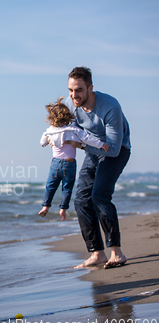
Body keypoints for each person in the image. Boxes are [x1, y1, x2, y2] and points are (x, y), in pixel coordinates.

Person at [63, 67, 131, 269]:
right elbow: (64, 127)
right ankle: (97, 253)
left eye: (79, 90)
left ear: (90, 88)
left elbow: (113, 149)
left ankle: (116, 252)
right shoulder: (70, 104)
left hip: (116, 151)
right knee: (82, 200)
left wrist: (82, 145)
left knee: (99, 195)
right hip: (93, 152)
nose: (74, 95)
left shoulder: (110, 107)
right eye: (71, 90)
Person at [38, 97, 109, 221]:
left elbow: (41, 143)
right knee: (67, 188)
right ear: (68, 116)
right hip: (69, 164)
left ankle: (45, 206)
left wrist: (47, 140)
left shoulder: (49, 131)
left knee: (50, 186)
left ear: (51, 118)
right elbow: (87, 139)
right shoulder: (74, 130)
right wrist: (101, 144)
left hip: (55, 164)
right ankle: (63, 209)